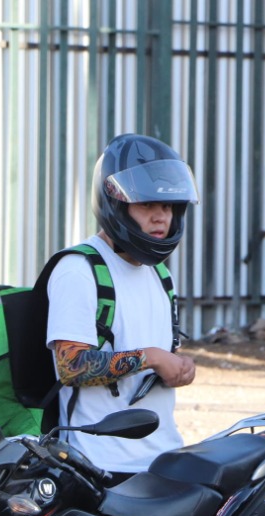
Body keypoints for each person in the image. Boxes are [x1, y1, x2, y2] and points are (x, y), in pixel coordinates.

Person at [46, 133, 199, 477]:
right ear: (115, 204)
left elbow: (155, 360)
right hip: (100, 465)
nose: (162, 217)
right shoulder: (79, 270)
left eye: (168, 206)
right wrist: (152, 357)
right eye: (147, 205)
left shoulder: (158, 274)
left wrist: (178, 366)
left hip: (162, 457)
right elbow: (71, 366)